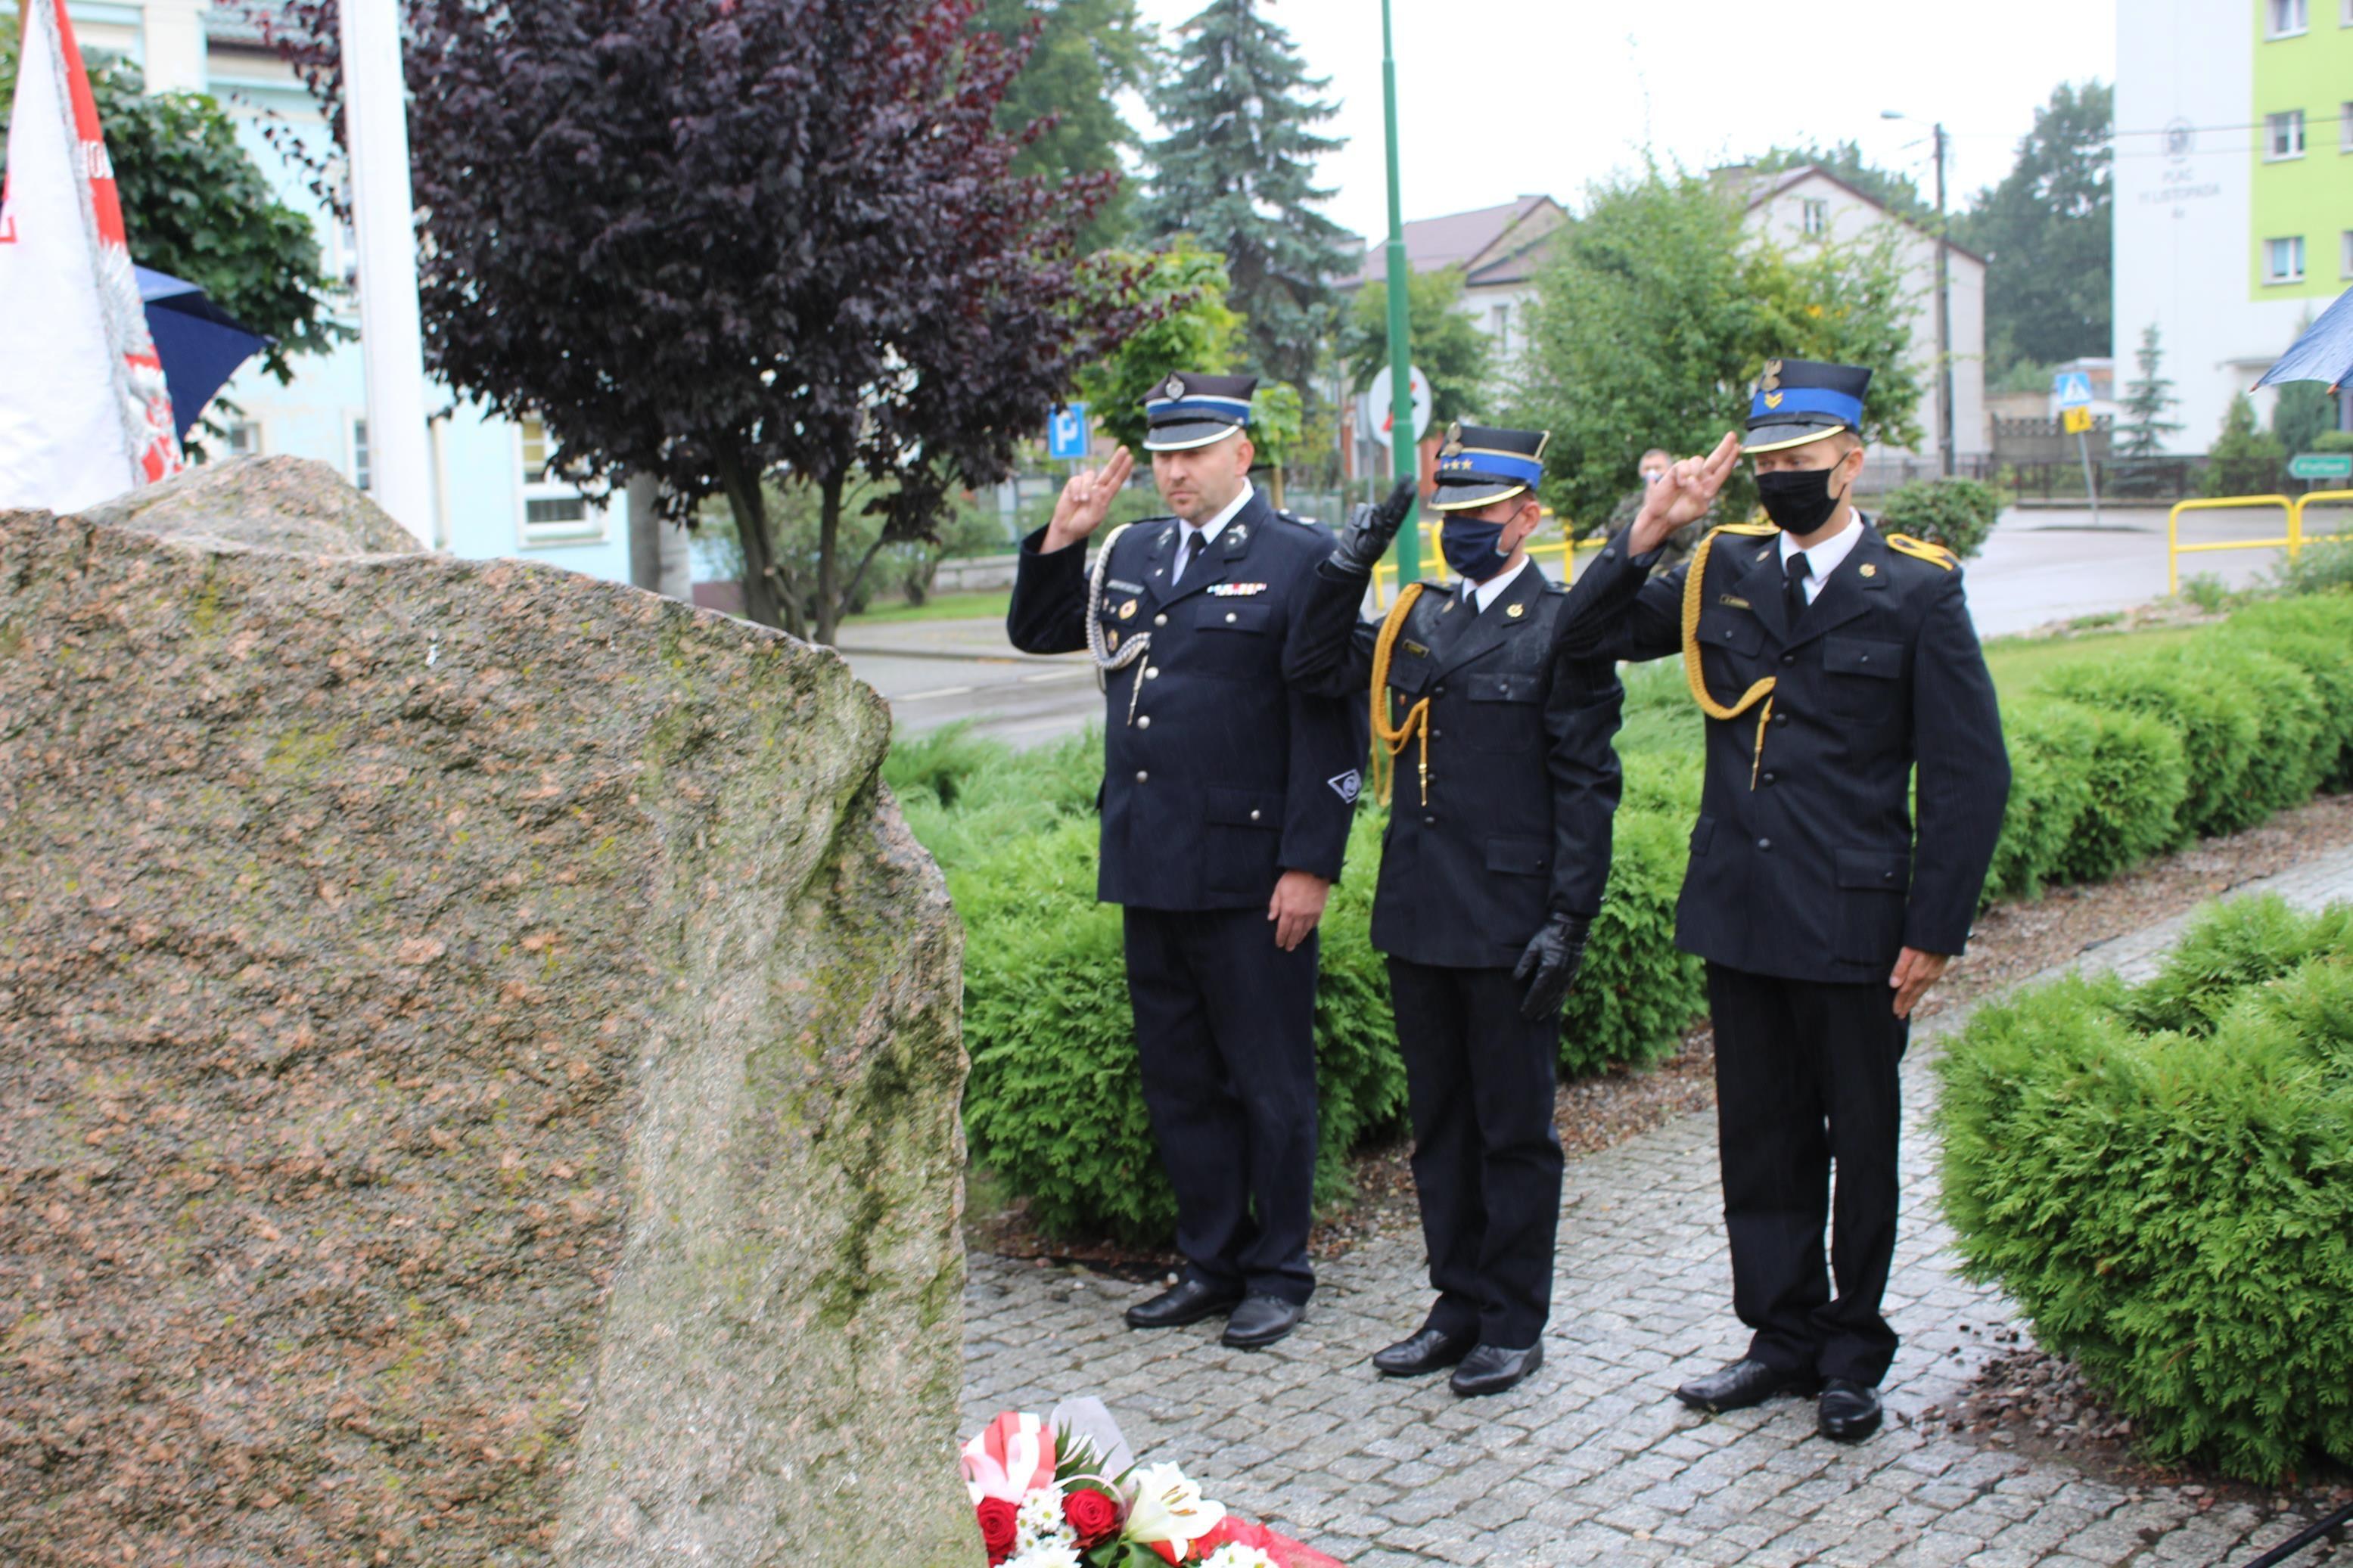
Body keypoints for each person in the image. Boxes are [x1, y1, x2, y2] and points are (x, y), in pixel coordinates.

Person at [1581, 359, 2010, 1442]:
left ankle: (1851, 1349)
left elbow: (1967, 774)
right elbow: (1580, 636)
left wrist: (1932, 931)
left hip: (1857, 921)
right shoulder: (1719, 565)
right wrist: (1652, 526)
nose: (1779, 476)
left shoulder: (1915, 587)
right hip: (1743, 907)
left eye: (1799, 459)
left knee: (1857, 1142)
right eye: (1764, 461)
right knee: (1759, 1139)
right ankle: (1778, 1336)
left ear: (1849, 460)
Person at [1280, 424, 1731, 1397]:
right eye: (1451, 516)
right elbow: (1311, 664)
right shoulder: (1416, 616)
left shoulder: (1562, 622)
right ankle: (1455, 1302)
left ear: (1527, 516)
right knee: (1439, 1125)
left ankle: (1512, 1319)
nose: (1463, 532)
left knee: (1512, 1131)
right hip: (1419, 911)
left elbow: (1585, 785)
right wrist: (1351, 554)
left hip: (1511, 918)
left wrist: (1569, 918)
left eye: (1482, 515)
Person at [1005, 372, 1368, 1350]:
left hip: (1252, 874)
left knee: (1269, 1078)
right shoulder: (1133, 551)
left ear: (1240, 454)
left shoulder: (1301, 562)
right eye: (1162, 454)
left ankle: (1279, 1270)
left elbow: (1329, 726)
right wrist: (1064, 537)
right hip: (1150, 859)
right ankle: (1210, 1259)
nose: (1172, 471)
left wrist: (1311, 863)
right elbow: (1037, 629)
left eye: (1192, 452)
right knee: (1178, 1079)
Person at [1604, 447, 1702, 576]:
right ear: (1640, 472)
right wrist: (1646, 509)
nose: (1652, 472)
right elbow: (1614, 533)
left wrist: (1664, 516)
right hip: (1633, 571)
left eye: (1657, 468)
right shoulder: (1630, 501)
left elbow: (1686, 539)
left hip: (1670, 571)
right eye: (1647, 469)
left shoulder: (1683, 500)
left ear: (1669, 470)